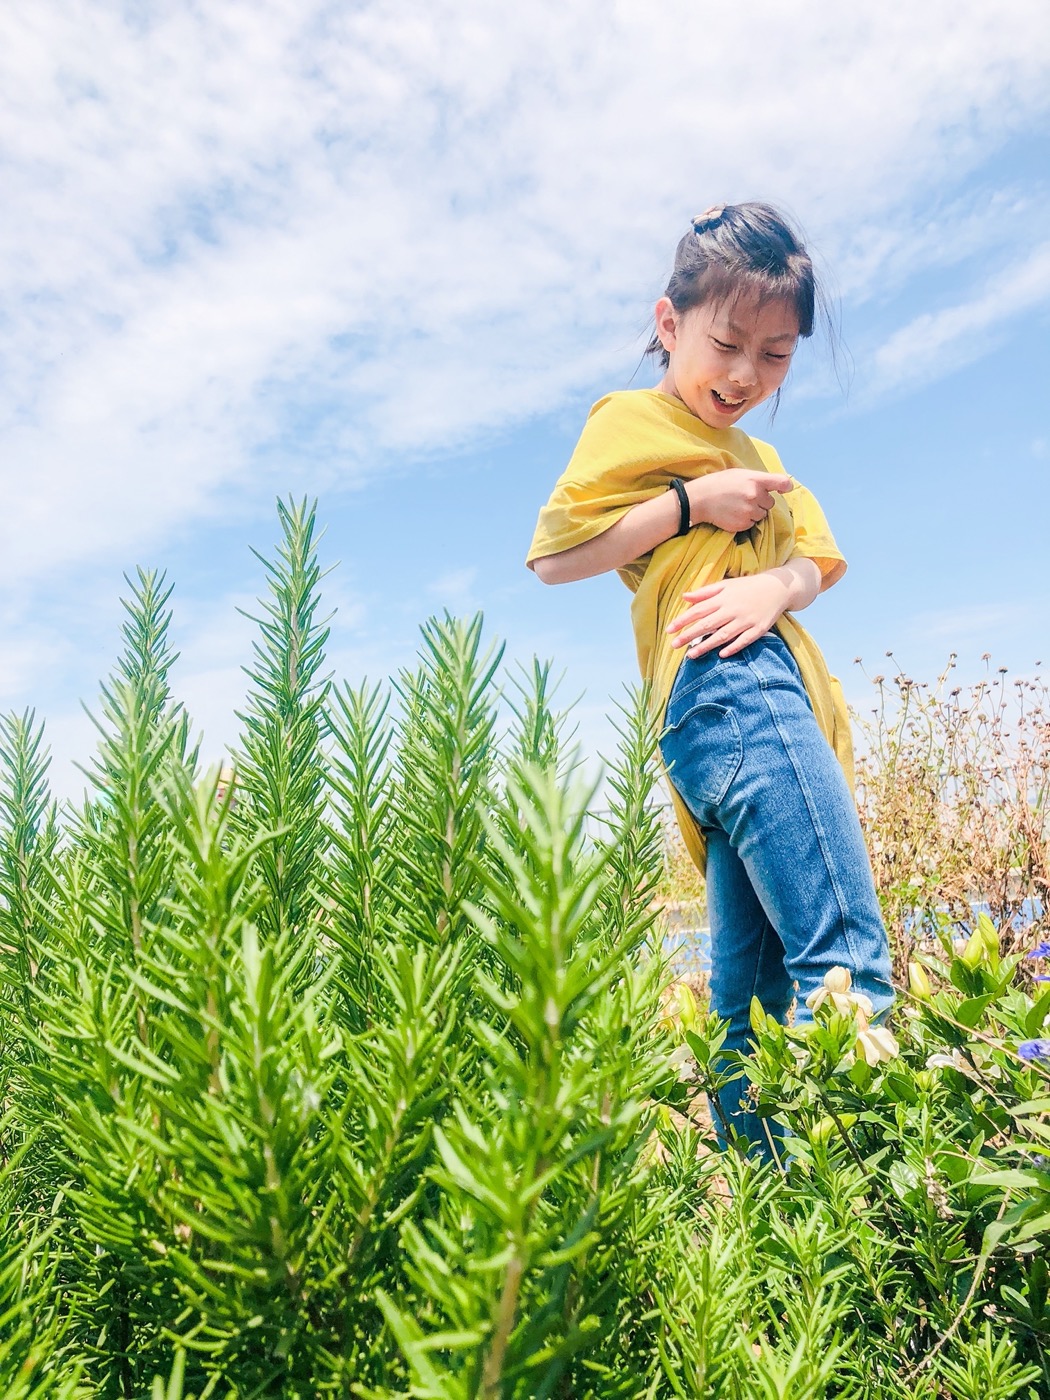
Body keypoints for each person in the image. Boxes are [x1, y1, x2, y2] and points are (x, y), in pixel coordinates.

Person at [526, 202, 894, 1159]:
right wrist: (691, 502)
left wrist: (773, 584)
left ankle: (770, 1241)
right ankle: (882, 1249)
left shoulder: (767, 460)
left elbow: (815, 562)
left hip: (718, 709)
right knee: (846, 963)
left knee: (752, 999)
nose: (745, 376)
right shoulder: (633, 421)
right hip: (736, 692)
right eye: (728, 343)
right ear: (668, 324)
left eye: (776, 356)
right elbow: (558, 554)